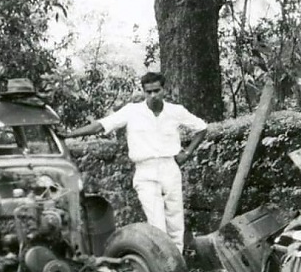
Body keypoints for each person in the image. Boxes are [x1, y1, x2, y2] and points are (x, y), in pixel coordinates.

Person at [60, 71, 207, 252]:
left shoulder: (176, 111)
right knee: (156, 224)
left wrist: (187, 152)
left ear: (164, 90)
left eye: (156, 91)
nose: (153, 95)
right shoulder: (132, 111)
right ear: (143, 92)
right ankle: (164, 265)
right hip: (145, 170)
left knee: (175, 219)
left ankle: (178, 262)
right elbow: (101, 125)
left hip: (170, 167)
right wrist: (69, 134)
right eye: (148, 92)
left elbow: (201, 128)